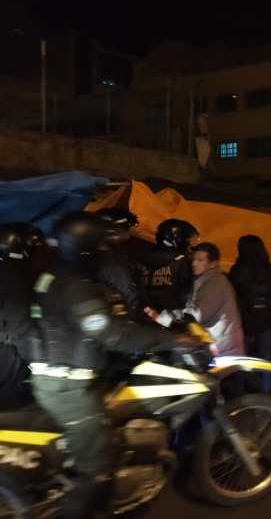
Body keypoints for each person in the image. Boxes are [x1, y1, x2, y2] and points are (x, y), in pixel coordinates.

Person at [29, 212, 187, 519]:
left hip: (60, 376)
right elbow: (111, 333)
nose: (105, 251)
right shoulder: (75, 285)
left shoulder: (53, 276)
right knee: (97, 468)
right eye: (100, 246)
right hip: (68, 387)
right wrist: (174, 340)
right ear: (85, 249)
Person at [146, 242, 245, 357]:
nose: (194, 263)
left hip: (223, 350)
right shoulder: (205, 280)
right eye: (194, 259)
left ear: (213, 264)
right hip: (218, 345)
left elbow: (196, 314)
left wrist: (164, 318)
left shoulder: (216, 283)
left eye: (200, 260)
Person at [0, 222, 45, 407]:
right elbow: (19, 322)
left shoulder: (8, 269)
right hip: (10, 344)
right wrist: (35, 358)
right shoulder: (16, 274)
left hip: (6, 339)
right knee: (10, 399)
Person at [228, 235, 271, 392]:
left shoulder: (237, 270)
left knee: (242, 357)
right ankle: (265, 393)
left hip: (244, 320)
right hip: (265, 319)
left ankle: (241, 392)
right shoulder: (270, 270)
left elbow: (233, 295)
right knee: (265, 357)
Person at [94, 208, 147, 319]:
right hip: (126, 317)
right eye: (127, 227)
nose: (129, 232)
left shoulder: (108, 253)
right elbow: (130, 301)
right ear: (112, 231)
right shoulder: (114, 267)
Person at [141, 218, 199, 312]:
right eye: (188, 241)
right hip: (172, 315)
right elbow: (190, 292)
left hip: (148, 312)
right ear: (177, 239)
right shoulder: (183, 262)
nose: (190, 246)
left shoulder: (146, 257)